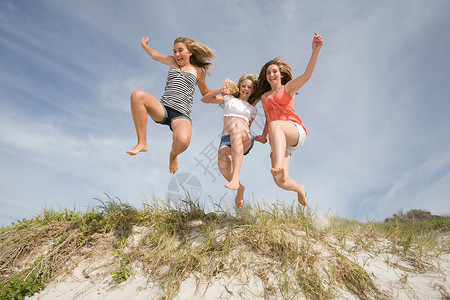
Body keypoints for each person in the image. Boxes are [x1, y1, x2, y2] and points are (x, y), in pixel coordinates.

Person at [126, 36, 215, 174]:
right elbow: (154, 55)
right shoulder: (171, 61)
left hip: (182, 115)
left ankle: (173, 155)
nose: (177, 54)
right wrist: (144, 45)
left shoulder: (198, 71)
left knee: (183, 141)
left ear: (190, 51)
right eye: (174, 51)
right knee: (137, 95)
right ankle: (142, 142)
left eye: (180, 50)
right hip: (163, 109)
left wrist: (222, 91)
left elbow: (206, 92)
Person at [254, 32, 323, 206]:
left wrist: (315, 51)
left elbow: (307, 75)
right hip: (280, 141)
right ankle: (299, 188)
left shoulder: (289, 88)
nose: (271, 75)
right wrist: (263, 135)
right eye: (268, 73)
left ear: (281, 74)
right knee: (280, 181)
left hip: (295, 131)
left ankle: (278, 165)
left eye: (274, 71)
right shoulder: (264, 97)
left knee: (277, 126)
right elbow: (269, 119)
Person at [201, 74, 258, 208]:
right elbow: (204, 99)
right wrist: (219, 91)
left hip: (244, 137)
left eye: (249, 87)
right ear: (239, 87)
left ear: (253, 90)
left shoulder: (252, 109)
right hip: (227, 139)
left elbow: (248, 128)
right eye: (243, 86)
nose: (246, 89)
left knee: (237, 128)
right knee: (223, 167)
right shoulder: (228, 99)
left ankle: (236, 177)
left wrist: (257, 138)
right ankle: (240, 189)